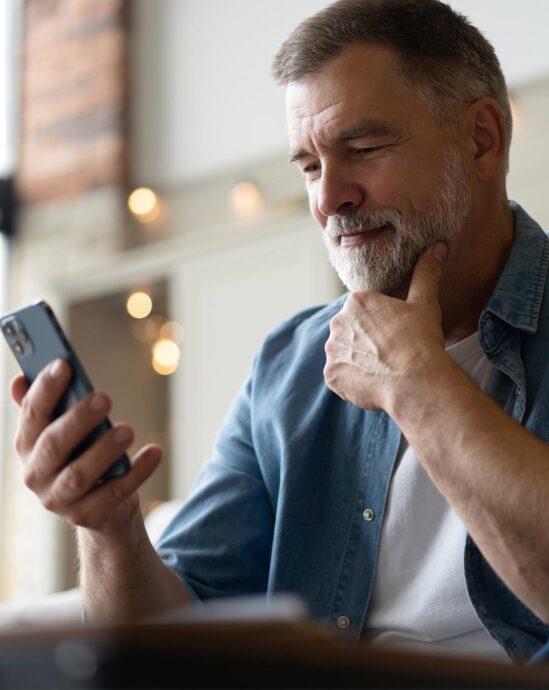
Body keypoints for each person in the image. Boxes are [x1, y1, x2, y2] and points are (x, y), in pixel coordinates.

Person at [10, 0, 549, 663]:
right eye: (309, 166)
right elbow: (167, 656)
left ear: (482, 139)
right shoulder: (290, 365)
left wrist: (418, 383)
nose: (327, 199)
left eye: (363, 148)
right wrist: (108, 528)